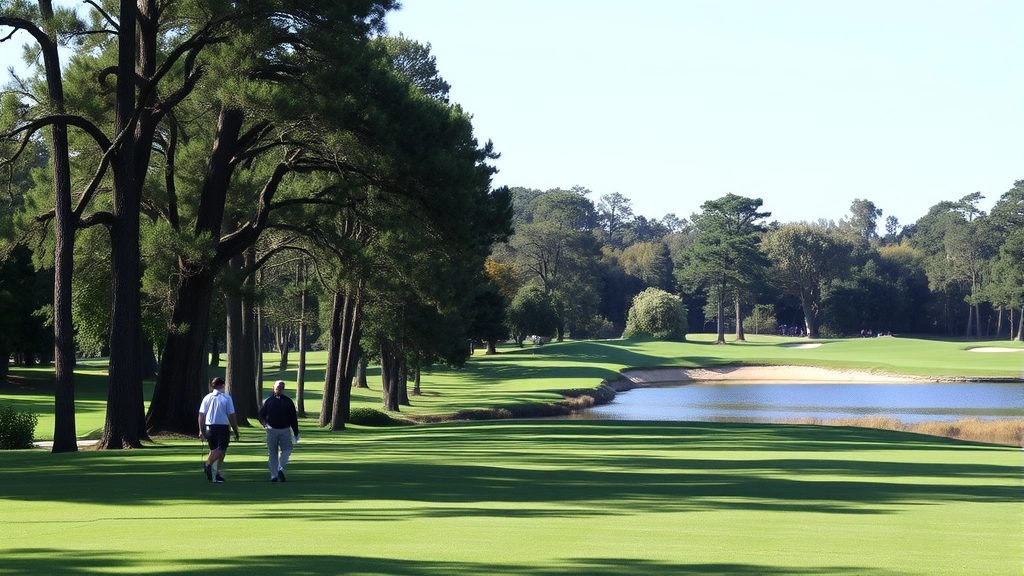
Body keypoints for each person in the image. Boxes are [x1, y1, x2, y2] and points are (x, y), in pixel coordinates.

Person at [198, 377, 240, 483]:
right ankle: (208, 464)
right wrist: (235, 429)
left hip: (209, 427)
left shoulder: (207, 397)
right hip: (222, 427)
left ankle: (216, 474)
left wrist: (200, 430)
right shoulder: (226, 398)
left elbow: (201, 414)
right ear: (222, 385)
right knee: (221, 450)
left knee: (215, 451)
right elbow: (232, 415)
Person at [258, 380, 300, 482]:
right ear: (273, 388)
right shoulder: (268, 401)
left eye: (281, 387)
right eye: (278, 387)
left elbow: (293, 418)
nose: (279, 389)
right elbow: (260, 416)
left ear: (283, 389)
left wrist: (296, 433)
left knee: (287, 450)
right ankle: (274, 475)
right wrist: (265, 425)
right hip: (271, 430)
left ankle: (280, 468)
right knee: (272, 452)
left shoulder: (288, 401)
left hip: (285, 430)